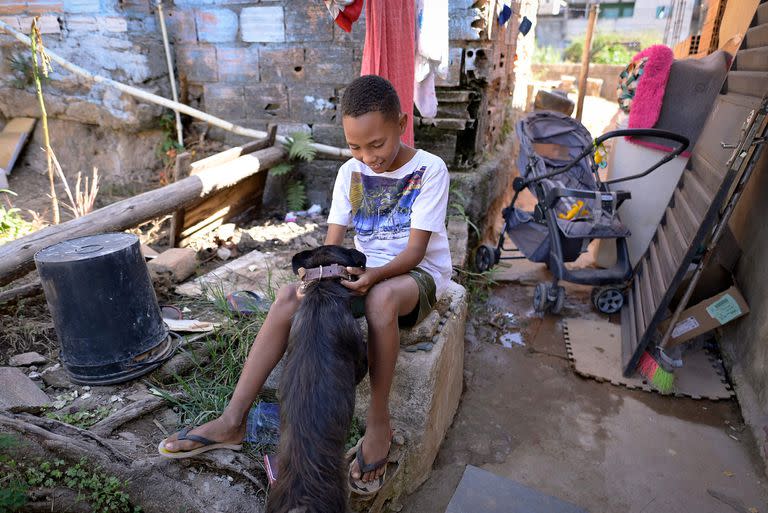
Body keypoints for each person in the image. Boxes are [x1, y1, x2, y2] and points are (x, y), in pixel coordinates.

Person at [159, 74, 452, 494]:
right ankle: (232, 419)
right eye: (355, 146)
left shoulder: (429, 169)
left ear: (401, 124)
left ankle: (378, 422)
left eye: (378, 144)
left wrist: (372, 277)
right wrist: (316, 279)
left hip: (414, 277)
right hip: (362, 272)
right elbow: (332, 243)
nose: (368, 157)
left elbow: (414, 253)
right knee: (285, 298)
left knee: (381, 299)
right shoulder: (351, 173)